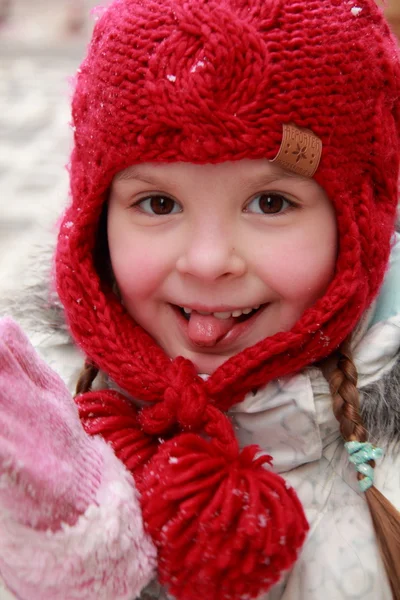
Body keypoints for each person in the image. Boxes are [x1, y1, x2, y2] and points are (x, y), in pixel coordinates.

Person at [0, 0, 400, 599]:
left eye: (271, 203)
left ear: (360, 222)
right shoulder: (42, 417)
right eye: (159, 204)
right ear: (95, 221)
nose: (209, 263)